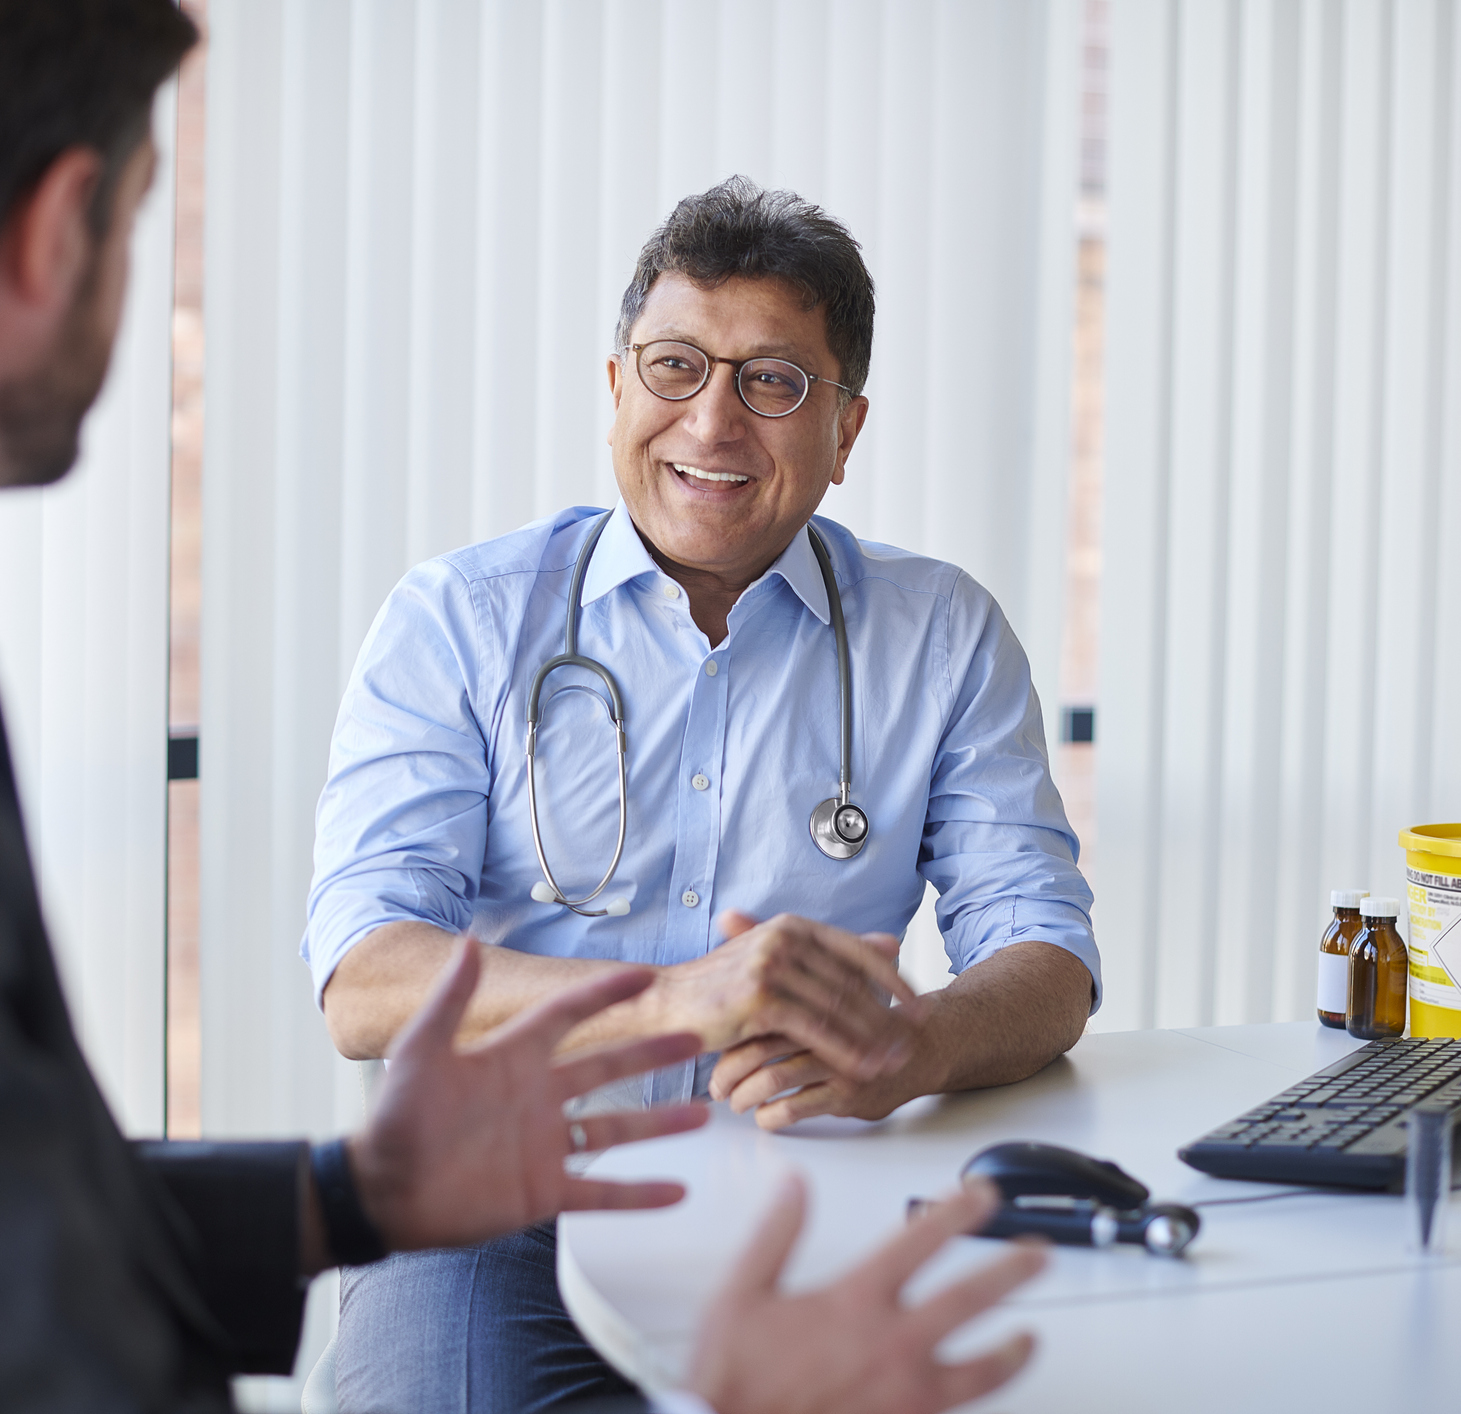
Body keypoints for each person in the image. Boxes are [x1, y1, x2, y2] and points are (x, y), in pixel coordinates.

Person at [0, 6, 1051, 1413]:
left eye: (772, 382)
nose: (715, 418)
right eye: (145, 215)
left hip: (764, 1187)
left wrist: (343, 1196)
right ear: (60, 231)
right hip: (518, 1239)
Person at [309, 177, 1100, 1412]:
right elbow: (366, 980)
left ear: (846, 431)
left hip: (810, 1198)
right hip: (500, 1209)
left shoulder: (942, 633)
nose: (713, 422)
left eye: (773, 381)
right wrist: (678, 1000)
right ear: (616, 388)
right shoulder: (460, 619)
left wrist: (919, 1045)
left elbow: (1047, 953)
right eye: (675, 366)